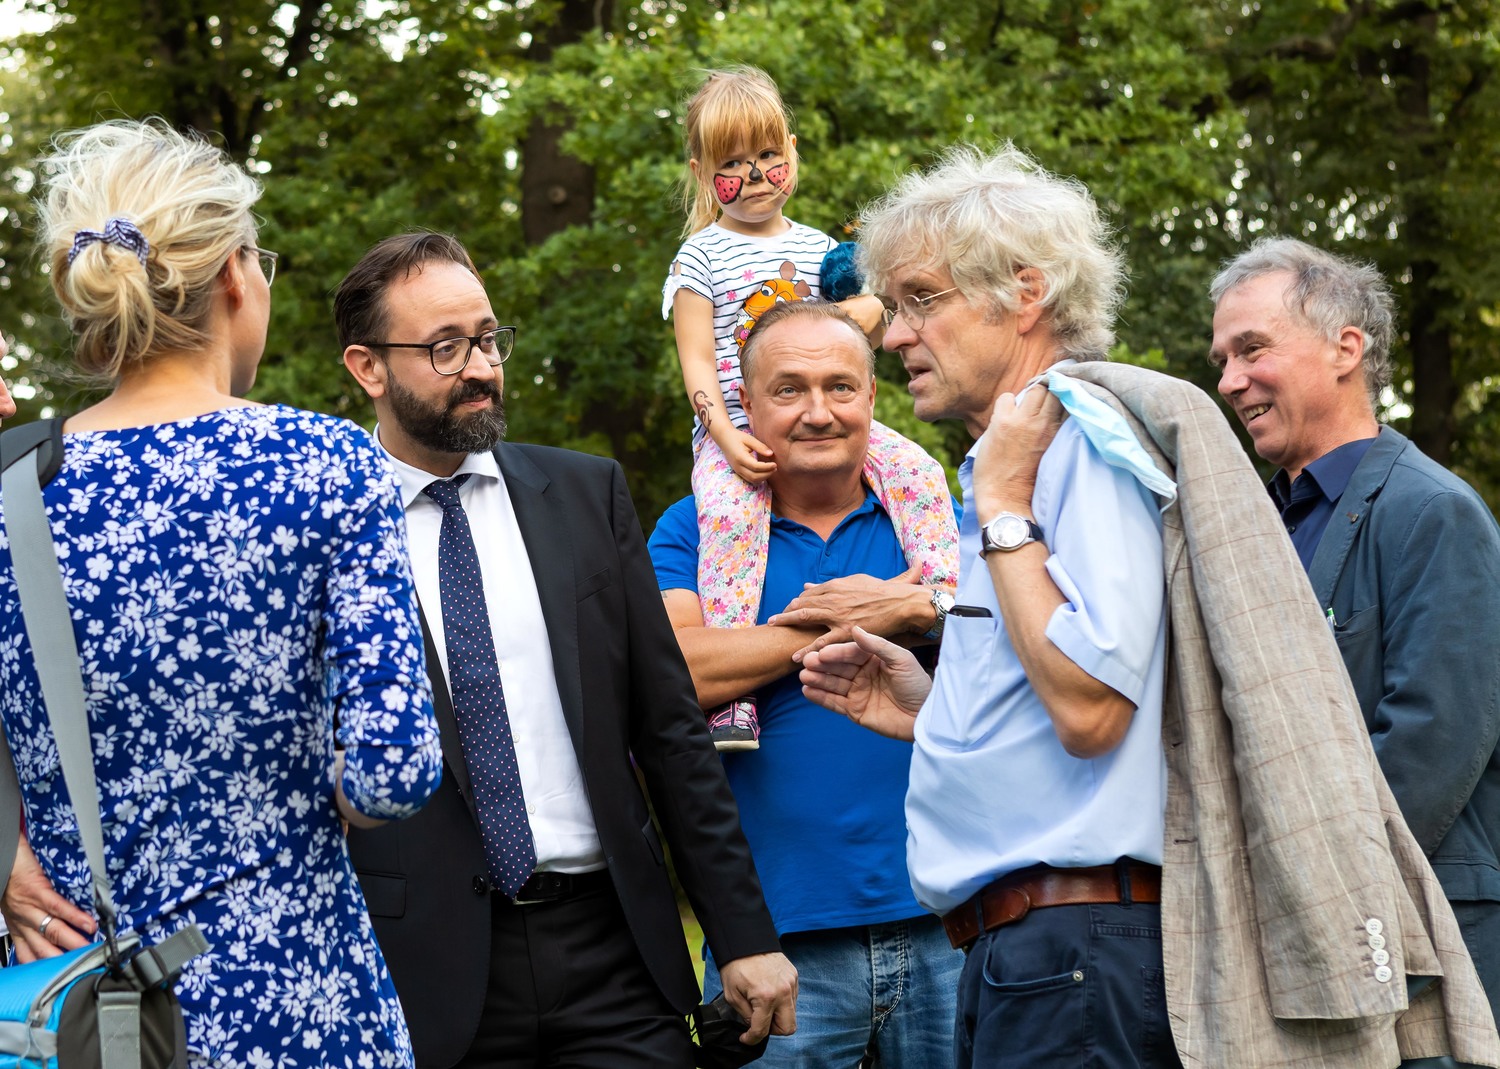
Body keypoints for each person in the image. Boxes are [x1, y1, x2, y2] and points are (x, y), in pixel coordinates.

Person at [800, 146, 1500, 1069]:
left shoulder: (1077, 442)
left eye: (921, 299)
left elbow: (1094, 707)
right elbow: (1102, 706)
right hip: (1029, 955)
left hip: (1076, 958)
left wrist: (1006, 514)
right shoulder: (1018, 456)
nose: (893, 335)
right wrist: (936, 712)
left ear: (1025, 292)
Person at [0, 120, 443, 1064]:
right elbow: (393, 769)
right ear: (237, 277)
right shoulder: (327, 463)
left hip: (78, 1013)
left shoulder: (11, 494)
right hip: (300, 998)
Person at [336, 231, 797, 1069]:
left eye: (487, 337)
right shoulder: (328, 526)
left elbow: (670, 733)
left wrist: (741, 934)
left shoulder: (587, 494)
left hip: (614, 954)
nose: (481, 366)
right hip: (424, 973)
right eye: (446, 348)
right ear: (369, 367)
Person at [648, 299, 964, 1068]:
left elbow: (1007, 648)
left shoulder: (936, 524)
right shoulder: (691, 529)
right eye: (789, 390)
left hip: (950, 922)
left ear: (872, 398)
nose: (818, 412)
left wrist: (918, 602)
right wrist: (869, 614)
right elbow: (676, 672)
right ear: (745, 406)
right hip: (777, 942)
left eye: (840, 387)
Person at [1211, 237, 1500, 1019]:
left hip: (1421, 937)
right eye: (1223, 360)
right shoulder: (1248, 526)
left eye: (1252, 349)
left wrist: (1294, 873)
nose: (1231, 380)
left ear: (1346, 348)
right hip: (1289, 943)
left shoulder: (1434, 512)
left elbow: (1433, 742)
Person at [662, 65, 954, 749]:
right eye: (734, 162)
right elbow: (699, 361)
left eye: (768, 155)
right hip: (737, 430)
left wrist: (861, 310)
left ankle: (946, 595)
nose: (757, 174)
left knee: (921, 470)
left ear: (792, 151)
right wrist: (725, 438)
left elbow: (871, 320)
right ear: (704, 172)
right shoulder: (701, 256)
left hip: (820, 409)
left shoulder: (820, 247)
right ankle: (734, 702)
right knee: (732, 520)